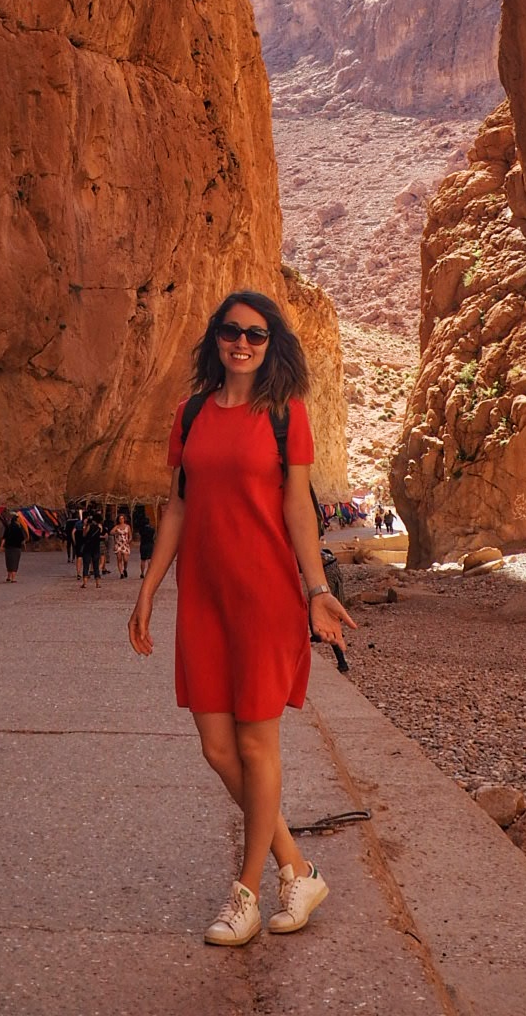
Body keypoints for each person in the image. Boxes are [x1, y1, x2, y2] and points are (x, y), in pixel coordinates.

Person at [128, 290, 356, 948]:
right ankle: (299, 868)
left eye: (256, 335)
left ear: (271, 343)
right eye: (231, 331)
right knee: (217, 748)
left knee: (257, 748)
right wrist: (147, 589)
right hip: (203, 596)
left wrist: (316, 588)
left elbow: (298, 510)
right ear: (216, 339)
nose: (242, 343)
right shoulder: (191, 413)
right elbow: (175, 507)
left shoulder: (287, 414)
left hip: (264, 597)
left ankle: (248, 893)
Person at [2, 505, 26, 583]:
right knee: (15, 562)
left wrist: (1, 546)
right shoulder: (18, 529)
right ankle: (13, 578)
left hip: (8, 547)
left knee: (9, 562)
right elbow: (22, 539)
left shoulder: (8, 527)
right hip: (16, 548)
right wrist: (24, 545)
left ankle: (8, 576)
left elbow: (4, 538)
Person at [80, 508, 103, 587]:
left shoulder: (89, 526)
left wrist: (84, 526)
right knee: (96, 565)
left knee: (86, 565)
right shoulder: (99, 527)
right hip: (96, 547)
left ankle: (85, 583)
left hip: (88, 547)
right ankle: (97, 583)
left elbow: (84, 535)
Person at [137, 507, 156, 580]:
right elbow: (153, 536)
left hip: (143, 544)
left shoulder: (141, 530)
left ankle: (142, 573)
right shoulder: (152, 529)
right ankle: (149, 573)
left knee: (143, 559)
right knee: (150, 559)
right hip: (150, 544)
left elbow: (140, 536)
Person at [113, 509, 132, 580]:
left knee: (125, 559)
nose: (121, 520)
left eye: (122, 518)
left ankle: (125, 569)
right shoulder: (117, 527)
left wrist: (129, 541)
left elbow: (130, 535)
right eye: (120, 519)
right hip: (118, 544)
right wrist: (116, 533)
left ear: (124, 519)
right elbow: (111, 532)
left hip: (125, 544)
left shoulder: (127, 526)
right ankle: (121, 573)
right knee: (119, 559)